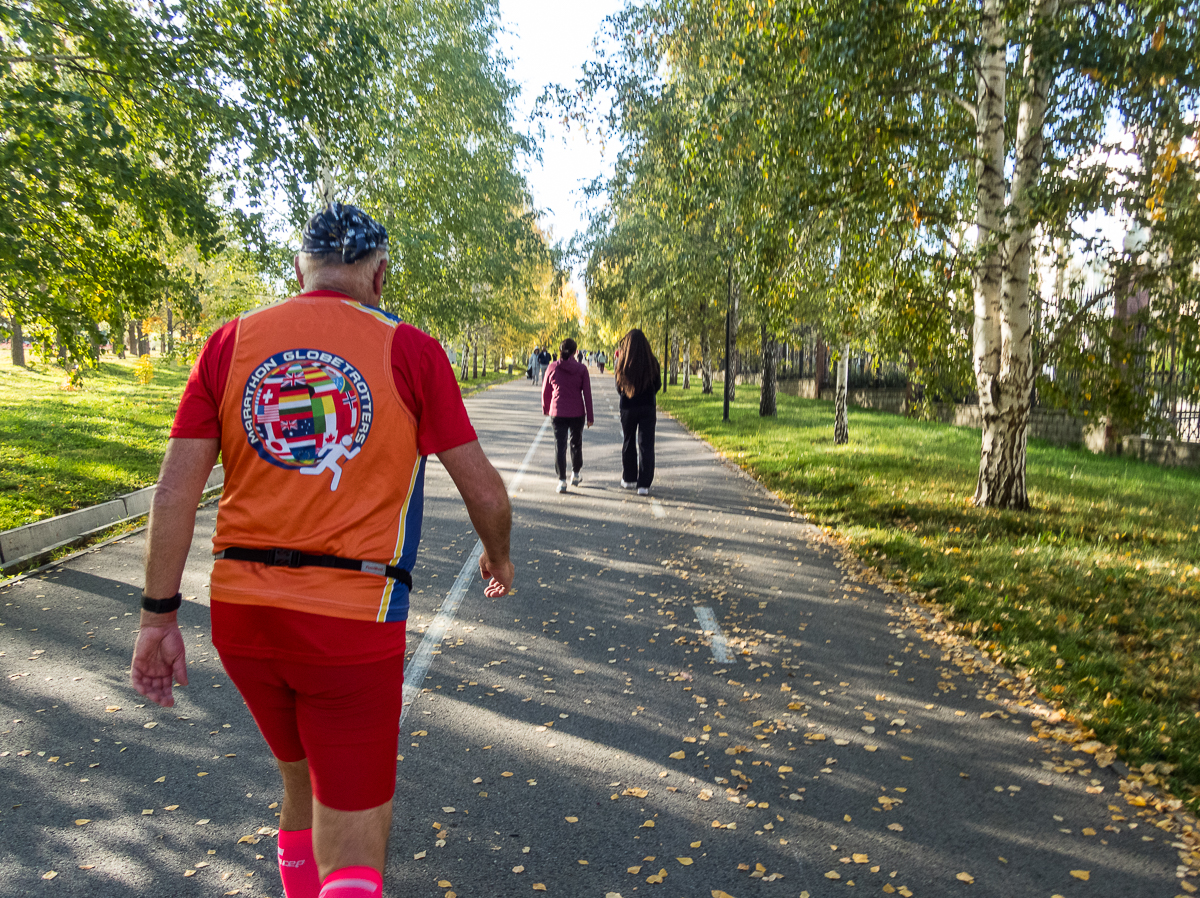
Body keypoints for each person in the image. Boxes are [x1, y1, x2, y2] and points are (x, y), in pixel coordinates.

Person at [130, 203, 514, 898]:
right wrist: (498, 557)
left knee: (303, 776)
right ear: (380, 275)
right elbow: (486, 492)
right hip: (351, 623)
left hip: (243, 616)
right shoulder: (411, 350)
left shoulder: (231, 342)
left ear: (298, 268)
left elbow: (173, 495)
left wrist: (158, 619)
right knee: (357, 840)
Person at [541, 337, 594, 493]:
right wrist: (590, 417)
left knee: (560, 445)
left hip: (557, 412)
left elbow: (545, 391)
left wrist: (546, 408)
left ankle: (562, 481)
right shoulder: (581, 369)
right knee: (576, 443)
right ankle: (576, 474)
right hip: (577, 413)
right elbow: (587, 394)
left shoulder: (552, 367)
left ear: (560, 351)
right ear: (575, 352)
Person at [614, 328, 660, 496]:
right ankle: (644, 484)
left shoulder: (622, 362)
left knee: (628, 441)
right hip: (647, 406)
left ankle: (629, 478)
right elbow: (657, 385)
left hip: (628, 406)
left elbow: (618, 387)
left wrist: (628, 394)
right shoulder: (652, 361)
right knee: (646, 444)